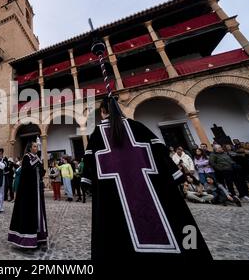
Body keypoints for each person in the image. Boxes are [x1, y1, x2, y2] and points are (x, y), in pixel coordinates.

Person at [81, 96, 211, 261]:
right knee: (176, 227)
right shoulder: (138, 127)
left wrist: (88, 183)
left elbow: (89, 167)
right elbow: (162, 155)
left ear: (102, 112)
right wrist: (178, 176)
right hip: (153, 191)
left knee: (116, 235)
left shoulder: (97, 134)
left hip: (115, 197)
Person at [8, 141, 48, 248]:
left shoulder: (36, 158)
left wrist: (41, 166)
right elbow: (27, 170)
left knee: (38, 213)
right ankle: (27, 239)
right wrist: (37, 161)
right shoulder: (27, 157)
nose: (36, 148)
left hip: (37, 190)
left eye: (37, 146)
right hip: (28, 191)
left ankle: (39, 237)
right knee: (29, 213)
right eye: (35, 146)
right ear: (30, 148)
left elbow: (41, 172)